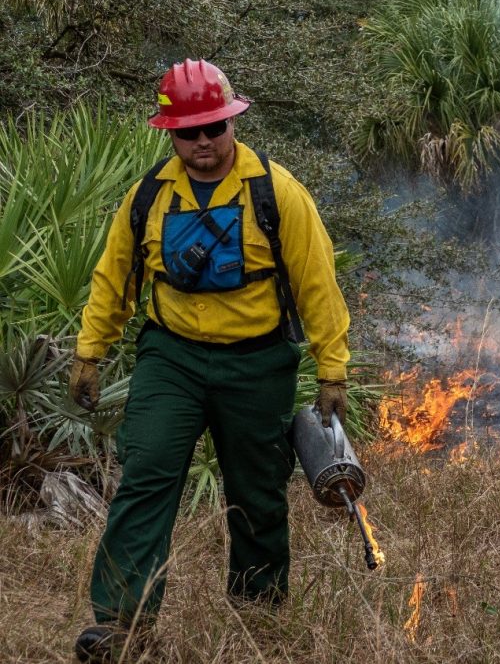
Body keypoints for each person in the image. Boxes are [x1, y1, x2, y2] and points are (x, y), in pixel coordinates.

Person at [69, 58, 350, 662]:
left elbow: (318, 285)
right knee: (145, 475)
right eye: (188, 132)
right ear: (169, 133)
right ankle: (122, 623)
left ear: (233, 122)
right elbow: (114, 275)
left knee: (257, 494)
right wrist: (90, 353)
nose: (203, 142)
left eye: (214, 128)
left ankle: (258, 615)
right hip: (171, 357)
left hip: (258, 362)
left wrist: (333, 371)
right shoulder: (148, 195)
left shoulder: (278, 193)